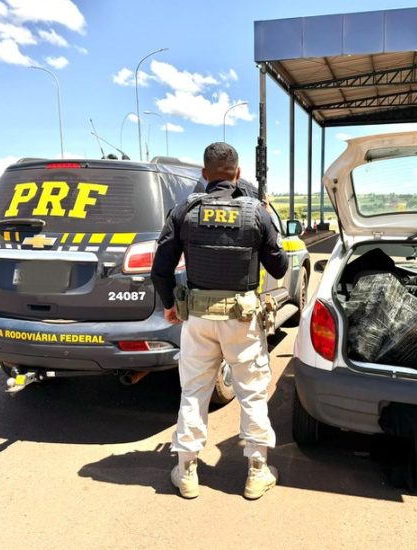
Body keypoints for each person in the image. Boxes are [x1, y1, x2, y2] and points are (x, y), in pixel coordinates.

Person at [151, 142, 288, 499]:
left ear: (204, 173)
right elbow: (279, 267)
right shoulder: (256, 212)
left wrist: (169, 304)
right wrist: (268, 222)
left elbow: (160, 268)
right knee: (252, 393)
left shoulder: (185, 210)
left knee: (193, 392)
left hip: (198, 318)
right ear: (237, 174)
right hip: (242, 321)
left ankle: (186, 472)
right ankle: (257, 471)